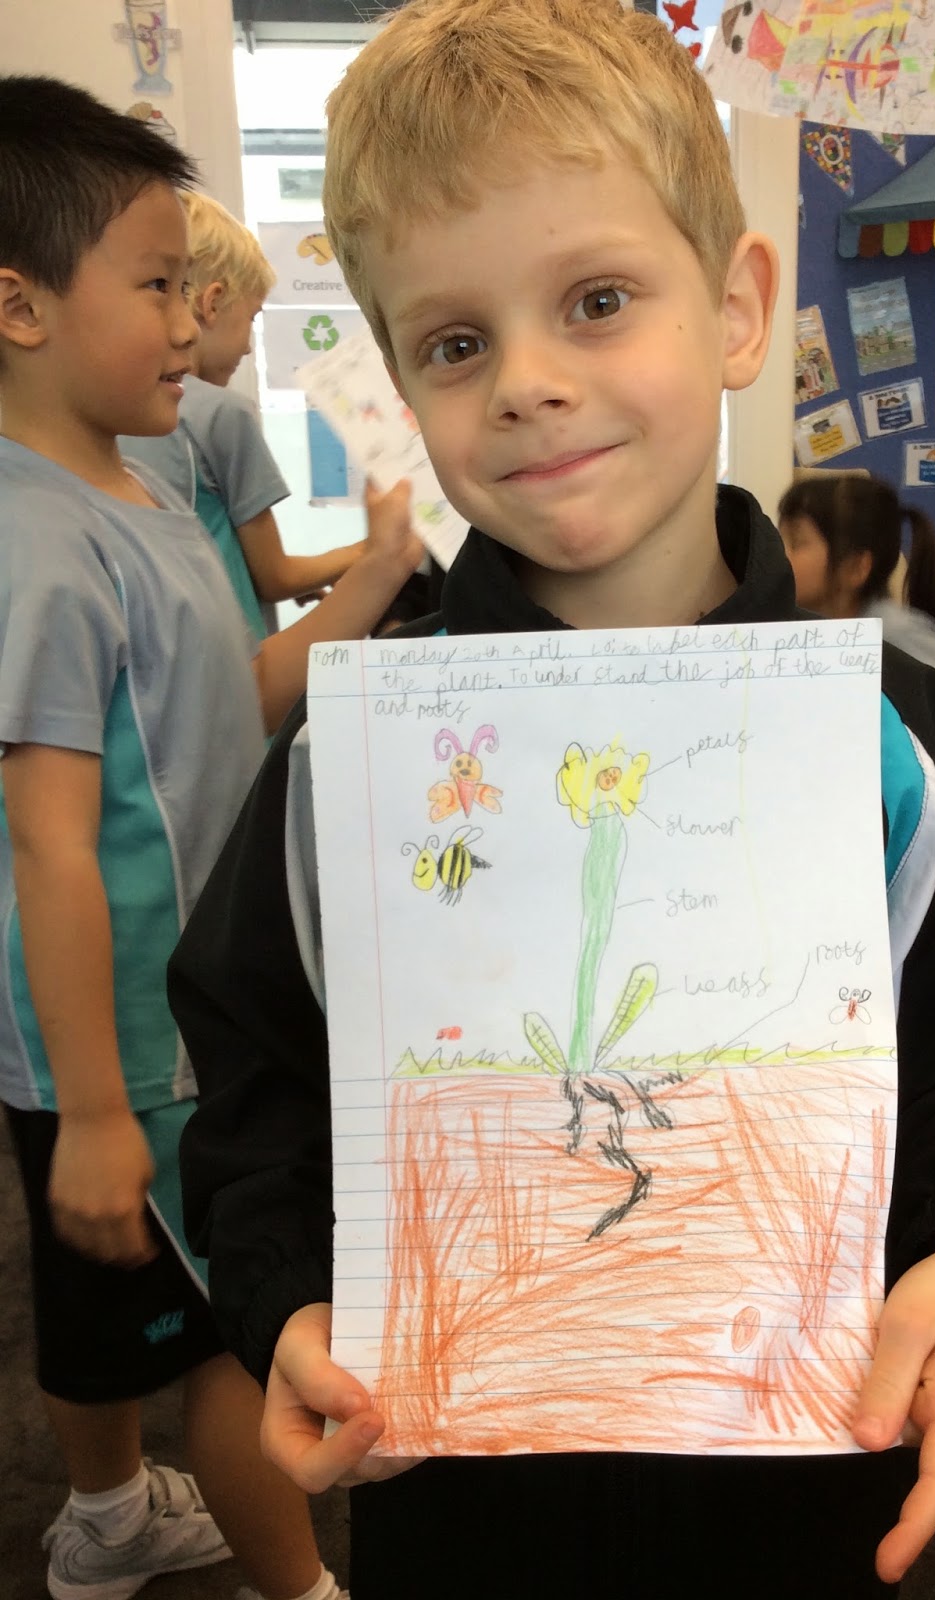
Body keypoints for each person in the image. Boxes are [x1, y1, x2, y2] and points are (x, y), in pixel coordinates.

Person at [170, 4, 935, 1597]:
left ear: (734, 307)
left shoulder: (882, 732)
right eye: (456, 344)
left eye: (595, 302)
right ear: (401, 379)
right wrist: (293, 1304)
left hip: (807, 1472)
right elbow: (258, 1080)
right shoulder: (351, 766)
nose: (527, 384)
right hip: (465, 1489)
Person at [0, 76, 425, 1600]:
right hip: (133, 1041)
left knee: (115, 1313)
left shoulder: (141, 488)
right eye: (157, 287)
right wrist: (95, 1107)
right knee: (239, 1334)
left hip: (173, 1015)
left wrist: (374, 578)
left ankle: (110, 1517)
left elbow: (230, 699)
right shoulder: (35, 541)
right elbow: (49, 847)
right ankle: (297, 1584)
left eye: (193, 287)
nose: (192, 324)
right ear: (21, 308)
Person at [121, 191, 366, 640]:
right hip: (235, 656)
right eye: (251, 318)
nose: (250, 347)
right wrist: (377, 548)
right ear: (212, 303)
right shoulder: (223, 413)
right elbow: (275, 577)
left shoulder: (122, 411)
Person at [777, 474, 935, 743]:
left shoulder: (894, 632)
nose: (780, 555)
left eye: (796, 543)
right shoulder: (812, 633)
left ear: (855, 567)